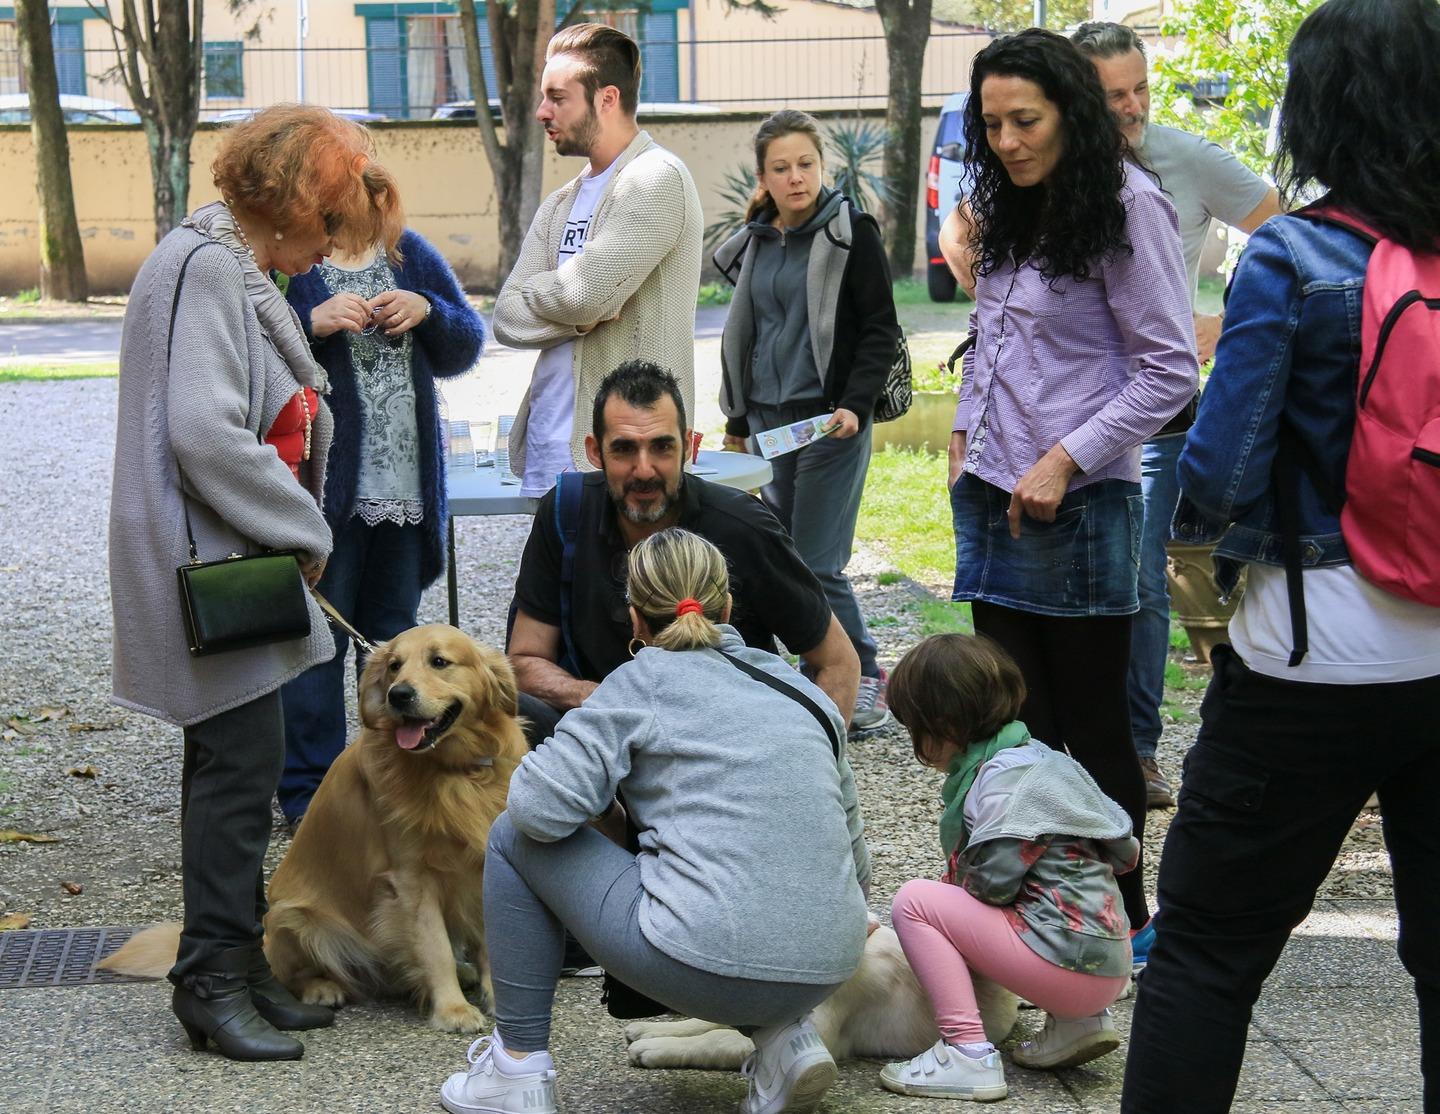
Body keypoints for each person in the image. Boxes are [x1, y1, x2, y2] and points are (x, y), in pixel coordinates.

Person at [1122, 1, 1440, 1108]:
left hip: (1310, 661)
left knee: (1206, 954)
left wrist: (1210, 603)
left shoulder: (1295, 257)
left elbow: (1213, 475)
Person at [108, 105, 402, 1060]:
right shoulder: (206, 268)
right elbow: (204, 433)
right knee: (236, 774)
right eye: (330, 220)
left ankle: (233, 966)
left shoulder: (229, 261)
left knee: (238, 768)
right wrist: (304, 526)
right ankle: (212, 985)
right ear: (291, 201)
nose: (329, 245)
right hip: (215, 564)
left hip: (230, 559)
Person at [440, 527, 871, 1114]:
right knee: (761, 879)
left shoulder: (637, 684)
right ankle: (785, 1040)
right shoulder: (803, 692)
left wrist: (601, 798)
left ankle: (517, 1068)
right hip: (831, 964)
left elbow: (535, 811)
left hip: (704, 963)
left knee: (510, 838)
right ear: (725, 607)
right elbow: (854, 860)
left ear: (635, 620)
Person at [947, 29, 1198, 956]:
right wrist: (967, 442)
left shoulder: (1131, 207)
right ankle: (1047, 909)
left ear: (1071, 114)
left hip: (1081, 504)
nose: (1007, 141)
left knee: (1092, 730)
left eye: (1026, 121)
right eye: (992, 124)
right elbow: (995, 333)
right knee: (1014, 720)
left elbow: (1169, 370)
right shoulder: (1011, 202)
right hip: (991, 493)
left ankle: (1126, 925)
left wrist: (1065, 458)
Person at [1071, 20, 1284, 809]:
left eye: (1140, 91)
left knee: (1139, 576)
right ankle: (1068, 746)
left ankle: (1137, 751)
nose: (1130, 109)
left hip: (1159, 411)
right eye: (1111, 96)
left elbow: (1287, 228)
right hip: (1066, 413)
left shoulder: (1187, 158)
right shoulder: (1050, 164)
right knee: (1073, 573)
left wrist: (1225, 323)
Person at [508, 359, 861, 747]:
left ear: (690, 446)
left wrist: (809, 770)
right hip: (604, 746)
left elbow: (838, 662)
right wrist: (606, 701)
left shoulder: (742, 526)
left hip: (726, 750)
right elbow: (523, 663)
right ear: (594, 451)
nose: (644, 470)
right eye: (624, 449)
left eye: (661, 447)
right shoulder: (565, 512)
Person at [276, 229, 486, 829]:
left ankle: (396, 779)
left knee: (398, 650)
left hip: (405, 492)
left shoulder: (409, 252)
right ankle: (311, 798)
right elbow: (251, 349)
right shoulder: (294, 258)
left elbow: (466, 343)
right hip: (330, 497)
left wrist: (429, 310)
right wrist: (309, 322)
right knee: (318, 649)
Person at [880, 634, 1136, 1102]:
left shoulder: (1001, 783)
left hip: (1066, 967)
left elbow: (993, 885)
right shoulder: (1042, 761)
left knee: (915, 902)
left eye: (913, 727)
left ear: (942, 724)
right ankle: (1078, 1024)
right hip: (1109, 966)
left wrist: (950, 895)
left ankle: (966, 1054)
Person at [714, 108, 902, 735]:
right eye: (781, 168)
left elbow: (879, 329)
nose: (796, 178)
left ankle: (864, 674)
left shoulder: (852, 233)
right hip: (770, 422)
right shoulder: (756, 240)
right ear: (763, 177)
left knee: (818, 562)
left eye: (806, 165)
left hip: (832, 421)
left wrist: (856, 402)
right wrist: (737, 417)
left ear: (822, 166)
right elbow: (746, 334)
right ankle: (812, 671)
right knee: (781, 556)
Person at [492, 22, 702, 498]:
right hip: (551, 449)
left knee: (626, 576)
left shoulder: (655, 179)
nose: (542, 111)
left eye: (557, 97)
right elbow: (505, 317)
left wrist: (568, 302)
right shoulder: (561, 202)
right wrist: (583, 316)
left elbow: (584, 295)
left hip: (630, 458)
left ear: (607, 98)